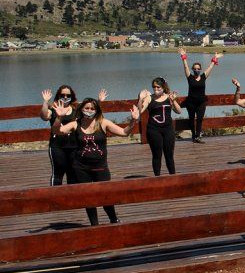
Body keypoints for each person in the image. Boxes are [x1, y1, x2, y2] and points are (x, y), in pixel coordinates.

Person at [51, 97, 139, 225]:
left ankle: (113, 219)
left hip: (100, 167)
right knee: (88, 197)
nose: (89, 110)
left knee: (105, 196)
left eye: (92, 108)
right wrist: (58, 118)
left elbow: (124, 132)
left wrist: (133, 121)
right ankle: (94, 225)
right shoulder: (76, 124)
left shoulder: (103, 122)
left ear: (96, 110)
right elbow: (56, 131)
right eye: (86, 108)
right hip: (81, 168)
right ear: (81, 110)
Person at [40, 86, 107, 186]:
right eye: (63, 95)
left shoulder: (76, 110)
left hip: (74, 147)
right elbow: (44, 116)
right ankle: (54, 197)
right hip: (57, 147)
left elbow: (92, 112)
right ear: (58, 96)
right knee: (57, 174)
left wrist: (99, 101)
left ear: (72, 96)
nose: (66, 97)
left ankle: (71, 198)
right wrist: (45, 102)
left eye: (68, 95)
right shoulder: (54, 109)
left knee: (73, 174)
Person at [138, 78, 182, 176]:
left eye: (158, 87)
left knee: (169, 155)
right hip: (154, 129)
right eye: (154, 87)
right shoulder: (149, 98)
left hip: (168, 129)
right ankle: (157, 178)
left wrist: (173, 100)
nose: (156, 89)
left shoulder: (169, 97)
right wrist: (141, 99)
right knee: (157, 155)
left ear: (163, 87)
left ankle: (173, 177)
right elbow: (140, 111)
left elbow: (179, 111)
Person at [178, 48, 223, 143]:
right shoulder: (189, 77)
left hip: (201, 103)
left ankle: (198, 136)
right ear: (192, 69)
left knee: (199, 119)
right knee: (191, 119)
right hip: (190, 103)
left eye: (198, 69)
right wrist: (184, 58)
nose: (196, 70)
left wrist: (215, 58)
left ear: (200, 69)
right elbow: (185, 67)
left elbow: (210, 67)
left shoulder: (203, 77)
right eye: (194, 69)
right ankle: (193, 136)